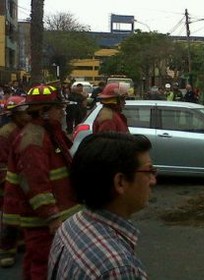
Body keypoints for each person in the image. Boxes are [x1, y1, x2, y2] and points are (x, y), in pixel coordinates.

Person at [49, 132, 155, 279]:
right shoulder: (117, 268)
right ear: (120, 182)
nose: (153, 180)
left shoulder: (70, 225)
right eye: (149, 171)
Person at [2, 84, 81, 279]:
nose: (63, 112)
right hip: (42, 220)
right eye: (58, 108)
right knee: (44, 264)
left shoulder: (48, 132)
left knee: (34, 260)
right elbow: (34, 182)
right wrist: (52, 216)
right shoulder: (33, 139)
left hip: (47, 216)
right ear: (43, 111)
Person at [0, 96, 30, 268]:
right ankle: (6, 250)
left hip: (19, 180)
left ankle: (18, 242)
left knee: (20, 213)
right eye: (25, 112)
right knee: (9, 216)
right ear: (16, 114)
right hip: (8, 182)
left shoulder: (22, 129)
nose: (28, 115)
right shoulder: (6, 133)